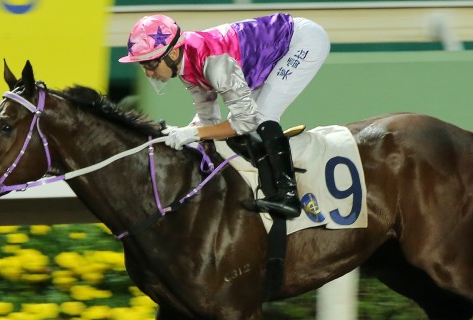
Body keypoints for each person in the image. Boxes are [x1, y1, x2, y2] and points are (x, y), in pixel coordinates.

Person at [118, 13, 330, 218]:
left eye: (150, 63)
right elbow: (207, 120)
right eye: (142, 64)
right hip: (270, 51)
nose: (147, 72)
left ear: (172, 54)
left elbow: (245, 122)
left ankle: (289, 196)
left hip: (302, 41)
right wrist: (182, 133)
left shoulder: (214, 63)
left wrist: (193, 133)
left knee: (262, 117)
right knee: (240, 124)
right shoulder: (185, 65)